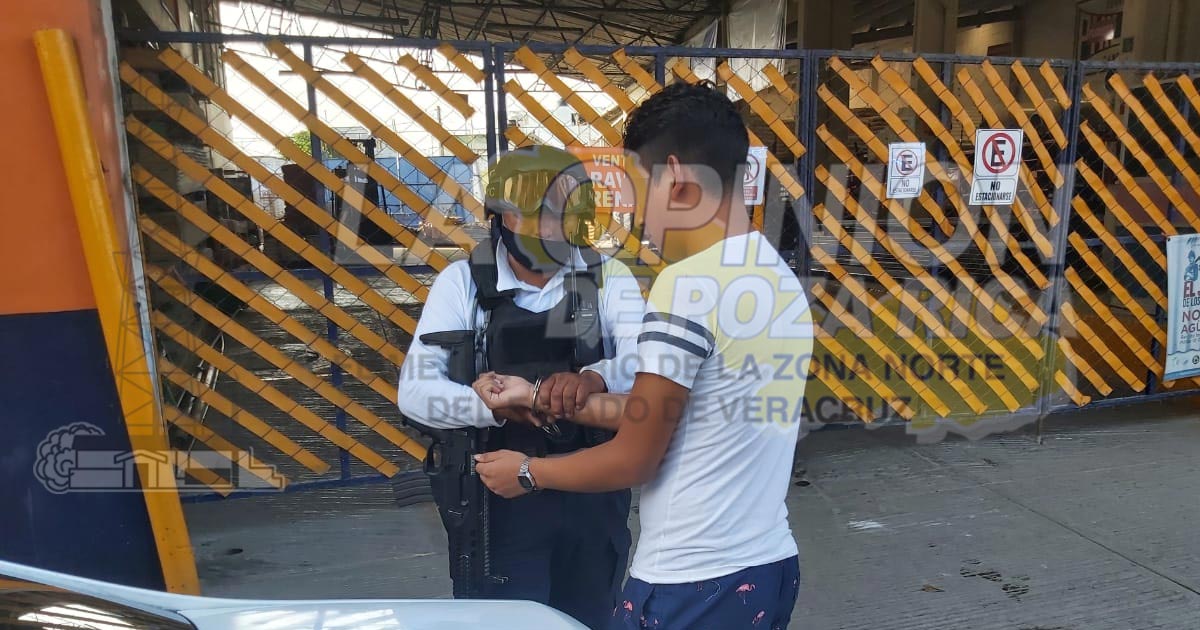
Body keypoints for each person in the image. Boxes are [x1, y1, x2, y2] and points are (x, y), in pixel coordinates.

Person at [472, 82, 814, 630]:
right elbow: (675, 414)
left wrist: (530, 472)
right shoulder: (775, 277)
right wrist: (535, 395)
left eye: (637, 188)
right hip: (768, 565)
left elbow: (635, 457)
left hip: (691, 580)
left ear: (675, 179)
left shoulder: (688, 286)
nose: (634, 213)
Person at [396, 145, 645, 629]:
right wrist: (490, 407)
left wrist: (595, 376)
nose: (551, 230)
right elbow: (416, 392)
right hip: (499, 498)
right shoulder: (463, 284)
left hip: (591, 485)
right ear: (502, 217)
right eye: (537, 217)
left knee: (591, 615)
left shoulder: (606, 276)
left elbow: (648, 365)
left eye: (563, 217)